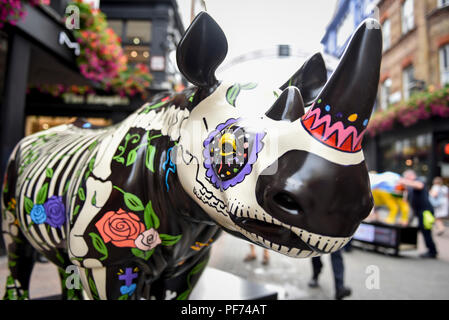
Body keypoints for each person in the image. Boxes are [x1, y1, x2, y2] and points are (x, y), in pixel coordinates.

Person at [399, 170, 438, 258]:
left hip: (426, 212)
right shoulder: (410, 186)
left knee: (426, 232)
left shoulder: (419, 180)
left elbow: (419, 186)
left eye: (406, 177)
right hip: (419, 212)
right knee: (423, 231)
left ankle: (432, 251)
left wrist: (404, 181)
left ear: (410, 176)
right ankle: (431, 250)